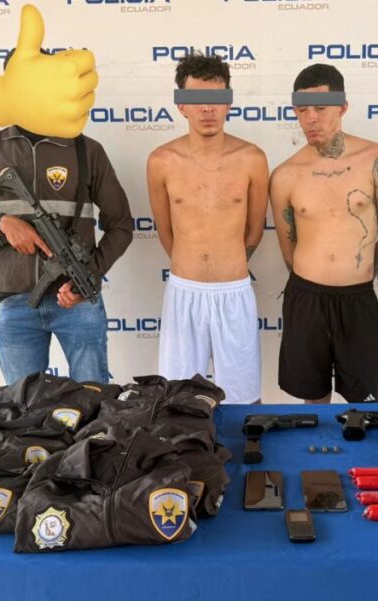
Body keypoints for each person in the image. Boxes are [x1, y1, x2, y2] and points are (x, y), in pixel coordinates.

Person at [0, 49, 134, 386]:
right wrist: (2, 223)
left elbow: (121, 225)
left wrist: (89, 275)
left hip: (77, 302)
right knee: (22, 408)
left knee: (92, 404)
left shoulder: (86, 150)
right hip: (15, 302)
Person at [269, 63, 378, 404]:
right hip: (305, 299)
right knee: (313, 400)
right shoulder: (285, 174)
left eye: (320, 108)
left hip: (358, 298)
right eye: (302, 110)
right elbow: (288, 248)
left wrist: (358, 272)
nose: (311, 118)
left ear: (342, 107)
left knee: (364, 402)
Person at [146, 53, 269, 404]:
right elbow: (166, 231)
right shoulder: (161, 161)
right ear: (181, 105)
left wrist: (226, 264)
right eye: (196, 99)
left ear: (228, 102)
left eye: (216, 98)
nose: (207, 109)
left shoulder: (252, 159)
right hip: (184, 292)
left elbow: (255, 230)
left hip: (234, 293)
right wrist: (193, 265)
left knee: (244, 398)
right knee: (176, 398)